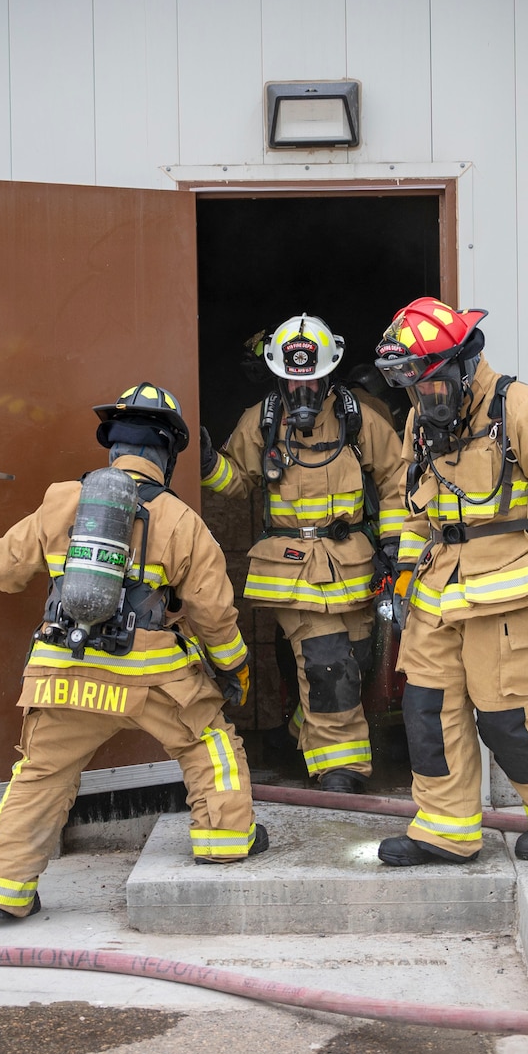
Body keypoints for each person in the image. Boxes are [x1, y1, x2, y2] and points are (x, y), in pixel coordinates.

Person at [0, 383, 265, 919]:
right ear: (169, 453)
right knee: (210, 743)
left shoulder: (61, 501)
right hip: (153, 679)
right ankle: (224, 841)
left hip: (62, 671)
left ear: (112, 445)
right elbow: (213, 614)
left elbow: (2, 568)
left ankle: (2, 887)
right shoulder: (184, 522)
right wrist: (234, 667)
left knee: (41, 773)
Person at [371, 299, 528, 865]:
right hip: (436, 594)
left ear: (462, 365)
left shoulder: (524, 409)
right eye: (413, 389)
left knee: (508, 717)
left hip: (508, 596)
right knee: (426, 711)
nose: (422, 399)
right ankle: (446, 829)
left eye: (429, 386)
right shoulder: (419, 419)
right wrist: (403, 577)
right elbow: (413, 508)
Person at [199, 315, 408, 794]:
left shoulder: (360, 417)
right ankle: (341, 769)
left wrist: (395, 546)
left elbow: (398, 480)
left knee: (350, 662)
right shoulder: (261, 421)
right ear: (279, 376)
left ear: (328, 373)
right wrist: (211, 464)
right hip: (291, 567)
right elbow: (238, 482)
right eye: (294, 382)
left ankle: (301, 730)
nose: (303, 392)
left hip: (352, 564)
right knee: (327, 660)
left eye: (312, 380)